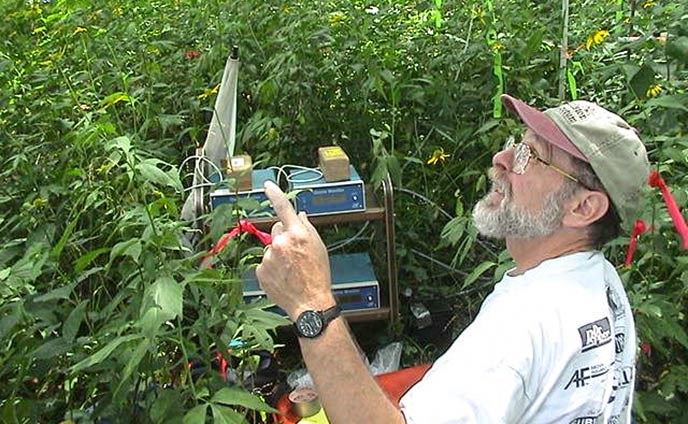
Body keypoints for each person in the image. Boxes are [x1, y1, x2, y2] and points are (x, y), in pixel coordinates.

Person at [256, 94, 650, 423]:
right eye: (518, 142)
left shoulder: (525, 321)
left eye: (532, 156)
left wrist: (310, 302)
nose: (502, 157)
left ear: (583, 208)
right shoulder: (598, 279)